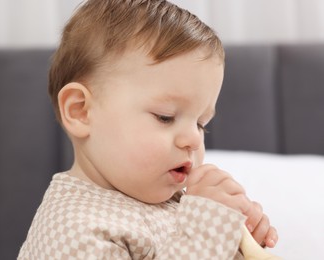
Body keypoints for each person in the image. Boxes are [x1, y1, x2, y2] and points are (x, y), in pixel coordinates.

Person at [18, 0, 278, 259]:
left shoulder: (175, 205)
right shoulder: (73, 232)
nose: (192, 139)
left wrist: (237, 243)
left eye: (200, 124)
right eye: (165, 117)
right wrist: (206, 229)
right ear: (81, 111)